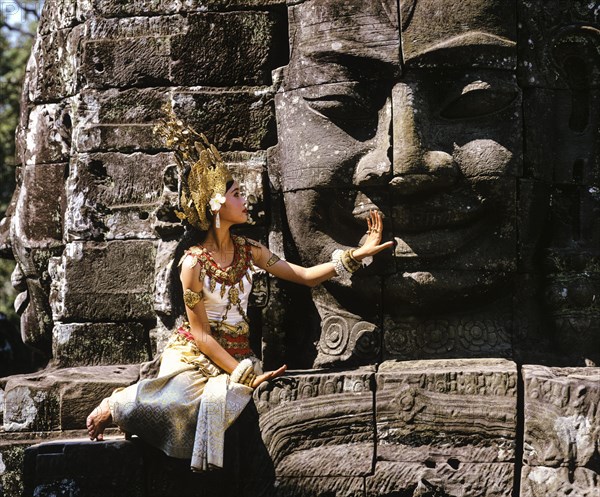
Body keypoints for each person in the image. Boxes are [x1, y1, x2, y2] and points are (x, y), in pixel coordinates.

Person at [85, 115, 392, 471]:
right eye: (235, 194)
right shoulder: (192, 265)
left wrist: (356, 255)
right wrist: (243, 373)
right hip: (193, 355)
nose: (244, 199)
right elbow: (200, 333)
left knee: (230, 405)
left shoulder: (251, 251)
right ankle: (117, 403)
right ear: (216, 206)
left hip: (236, 354)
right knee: (175, 402)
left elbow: (306, 276)